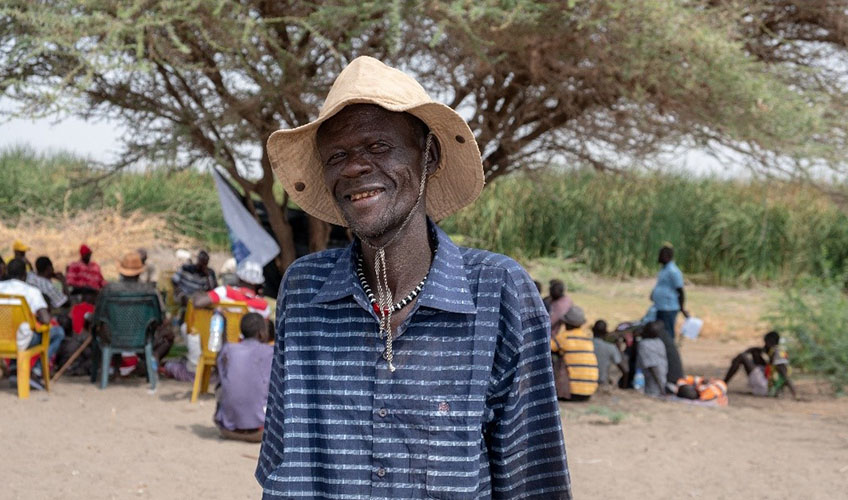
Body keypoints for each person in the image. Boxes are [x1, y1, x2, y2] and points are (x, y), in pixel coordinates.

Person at [256, 56, 570, 498]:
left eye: (379, 147)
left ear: (430, 155)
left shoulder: (498, 292)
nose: (353, 167)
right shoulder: (304, 288)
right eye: (337, 156)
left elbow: (533, 483)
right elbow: (282, 464)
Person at [94, 252, 172, 375]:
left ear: (121, 271)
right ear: (140, 272)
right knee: (167, 335)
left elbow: (97, 317)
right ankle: (150, 360)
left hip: (112, 337)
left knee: (104, 327)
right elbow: (159, 319)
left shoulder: (108, 290)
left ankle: (116, 369)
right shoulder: (151, 292)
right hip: (142, 337)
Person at [0, 258, 66, 381]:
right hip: (22, 341)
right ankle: (36, 371)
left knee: (17, 329)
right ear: (24, 275)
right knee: (58, 332)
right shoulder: (31, 292)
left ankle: (14, 368)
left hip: (1, 339)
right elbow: (46, 320)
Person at [214, 312, 273, 442]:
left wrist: (223, 325)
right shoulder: (270, 352)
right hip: (259, 429)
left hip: (228, 429)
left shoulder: (228, 349)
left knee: (222, 384)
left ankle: (230, 421)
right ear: (261, 333)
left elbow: (220, 365)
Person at [724, 331, 797, 399]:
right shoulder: (775, 350)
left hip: (767, 389)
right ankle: (724, 383)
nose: (764, 345)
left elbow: (784, 374)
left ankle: (723, 384)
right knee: (755, 353)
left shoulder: (777, 354)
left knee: (742, 357)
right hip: (768, 385)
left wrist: (794, 393)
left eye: (765, 343)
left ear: (769, 342)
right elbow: (755, 349)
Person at [191, 260, 269, 319]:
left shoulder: (225, 292)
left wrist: (197, 294)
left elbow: (198, 303)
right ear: (258, 283)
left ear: (239, 278)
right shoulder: (264, 306)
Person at [551, 308, 599, 401]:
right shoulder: (587, 338)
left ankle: (559, 391)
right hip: (588, 393)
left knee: (559, 360)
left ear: (566, 323)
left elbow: (548, 347)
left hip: (572, 393)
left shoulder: (564, 337)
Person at [650, 245, 688, 339]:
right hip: (660, 306)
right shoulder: (664, 269)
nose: (658, 257)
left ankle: (669, 351)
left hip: (668, 308)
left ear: (667, 256)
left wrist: (682, 308)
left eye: (661, 255)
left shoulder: (673, 271)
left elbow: (680, 290)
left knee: (667, 333)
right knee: (660, 331)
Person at [592, 320, 629, 387]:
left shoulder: (584, 344)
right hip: (601, 383)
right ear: (605, 333)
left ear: (593, 330)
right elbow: (625, 369)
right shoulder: (610, 348)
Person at [637, 320, 668, 397]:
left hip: (654, 381)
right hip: (662, 375)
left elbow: (653, 367)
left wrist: (661, 388)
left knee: (653, 393)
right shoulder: (659, 342)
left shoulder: (644, 345)